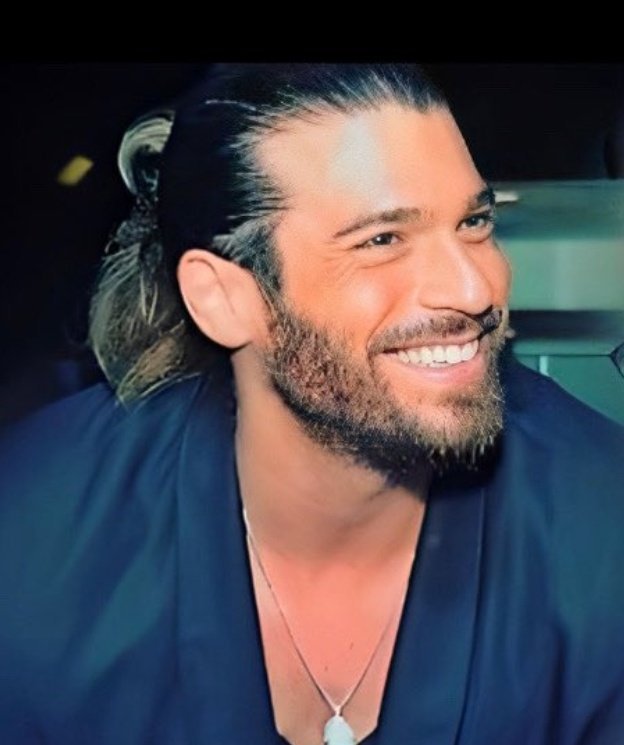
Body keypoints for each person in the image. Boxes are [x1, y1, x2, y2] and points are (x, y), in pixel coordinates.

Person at [1, 63, 623, 745]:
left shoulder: (598, 525)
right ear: (222, 298)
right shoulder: (36, 539)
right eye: (382, 240)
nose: (474, 289)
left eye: (474, 223)